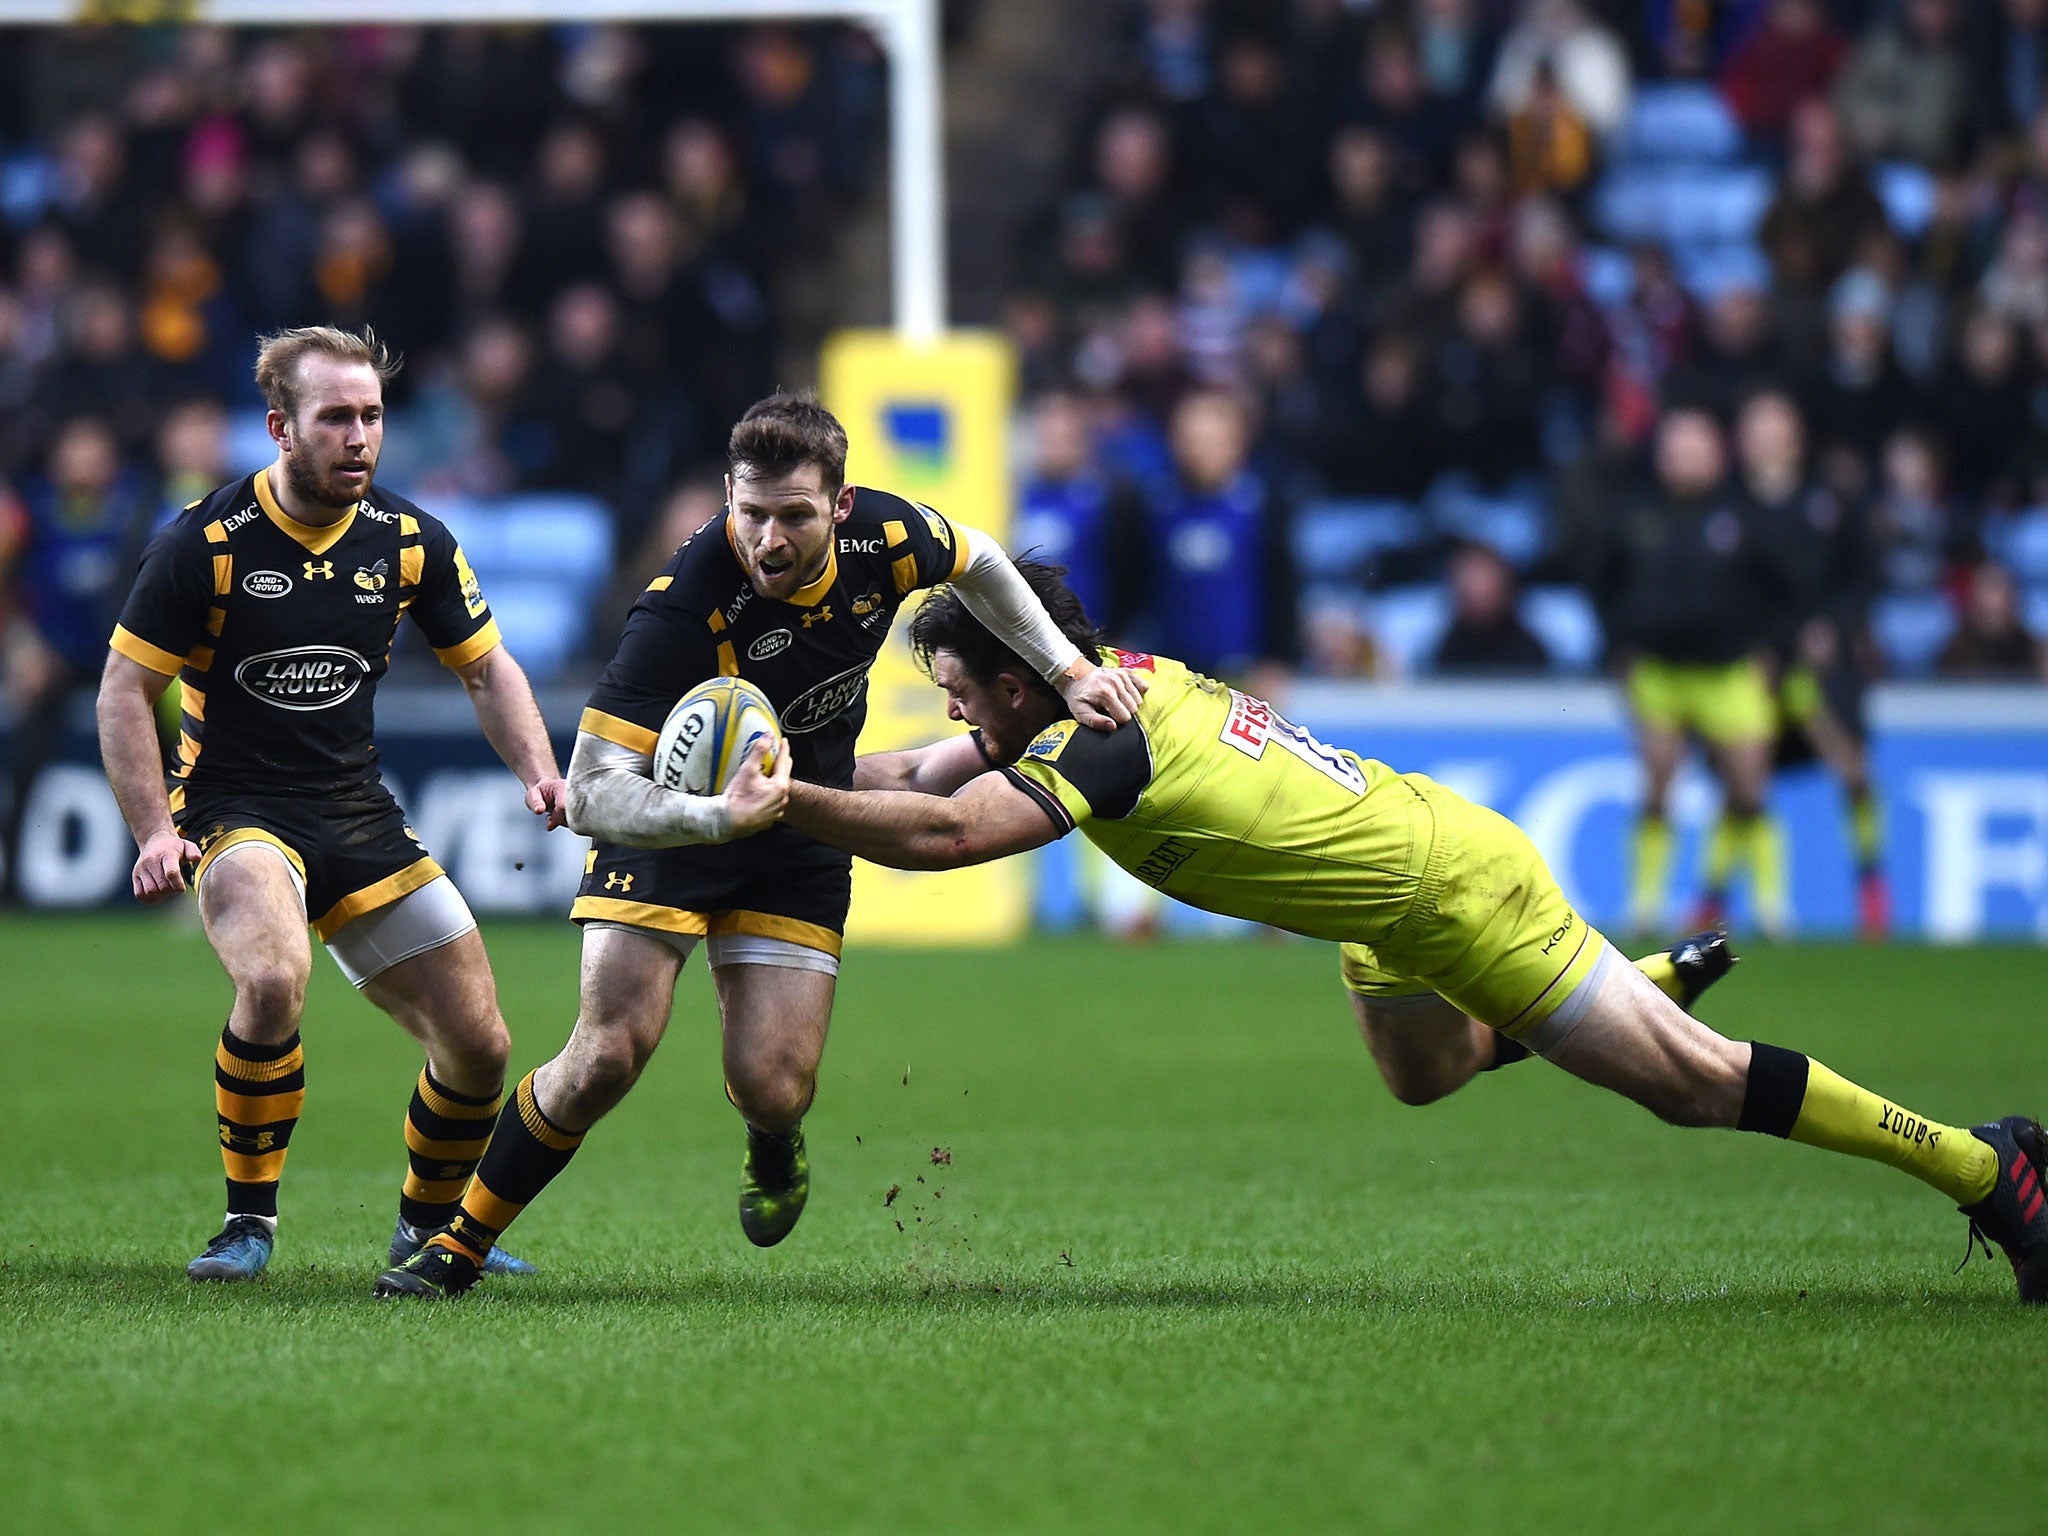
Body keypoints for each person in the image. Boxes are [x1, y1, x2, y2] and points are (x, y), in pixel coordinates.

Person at [747, 561, 2046, 1306]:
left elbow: (953, 836)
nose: (960, 714)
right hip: (1388, 912)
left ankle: (1991, 1169)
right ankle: (1632, 989)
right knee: (1424, 1077)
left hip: (1454, 890)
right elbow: (921, 778)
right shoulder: (1097, 682)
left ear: (1023, 678)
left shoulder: (1107, 737)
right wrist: (778, 768)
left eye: (967, 689)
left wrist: (785, 803)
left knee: (1692, 1091)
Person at [373, 394, 1144, 1299]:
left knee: (775, 1086)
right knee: (610, 1050)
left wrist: (1067, 670)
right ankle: (459, 1245)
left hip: (800, 822)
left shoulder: (887, 541)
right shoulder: (683, 606)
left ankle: (771, 1142)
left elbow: (977, 559)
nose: (769, 540)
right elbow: (588, 791)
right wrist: (711, 817)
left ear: (841, 505)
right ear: (728, 500)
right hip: (671, 820)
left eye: (794, 516)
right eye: (751, 514)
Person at [95, 325, 569, 1283]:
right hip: (234, 807)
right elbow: (120, 692)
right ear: (280, 427)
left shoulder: (408, 540)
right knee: (272, 980)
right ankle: (248, 1224)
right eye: (337, 418)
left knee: (481, 1046)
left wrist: (539, 769)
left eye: (373, 417)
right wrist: (153, 829)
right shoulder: (205, 543)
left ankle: (427, 1229)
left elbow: (487, 670)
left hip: (354, 809)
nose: (361, 437)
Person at [1587, 407, 1790, 936]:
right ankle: (1645, 906)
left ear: (1717, 455)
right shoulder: (1635, 514)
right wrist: (1618, 646)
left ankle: (1769, 909)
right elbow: (1602, 584)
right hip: (1659, 672)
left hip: (1728, 670)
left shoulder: (1744, 517)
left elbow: (1783, 589)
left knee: (1749, 790)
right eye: (1675, 450)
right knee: (1657, 785)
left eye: (1694, 450)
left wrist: (1773, 649)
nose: (1684, 461)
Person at [1733, 390, 1890, 937]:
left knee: (1853, 770)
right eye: (1757, 424)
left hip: (1826, 659)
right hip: (1760, 662)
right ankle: (1765, 907)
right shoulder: (1730, 509)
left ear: (1797, 433)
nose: (1768, 435)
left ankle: (1873, 892)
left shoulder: (1831, 501)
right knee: (1745, 782)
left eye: (1777, 422)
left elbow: (1865, 574)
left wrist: (1834, 625)